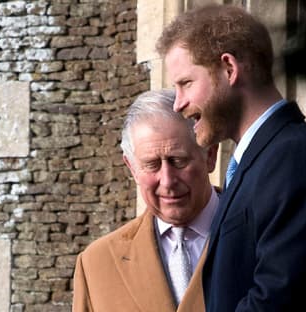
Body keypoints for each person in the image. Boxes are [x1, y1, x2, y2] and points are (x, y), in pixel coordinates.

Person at [156, 4, 306, 312]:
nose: (178, 104)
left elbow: (278, 301)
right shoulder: (257, 160)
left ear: (229, 69)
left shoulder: (293, 157)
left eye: (186, 84)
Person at [72, 89, 219, 312]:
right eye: (152, 165)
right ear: (132, 168)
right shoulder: (97, 265)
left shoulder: (263, 238)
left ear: (210, 156)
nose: (167, 181)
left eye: (178, 161)